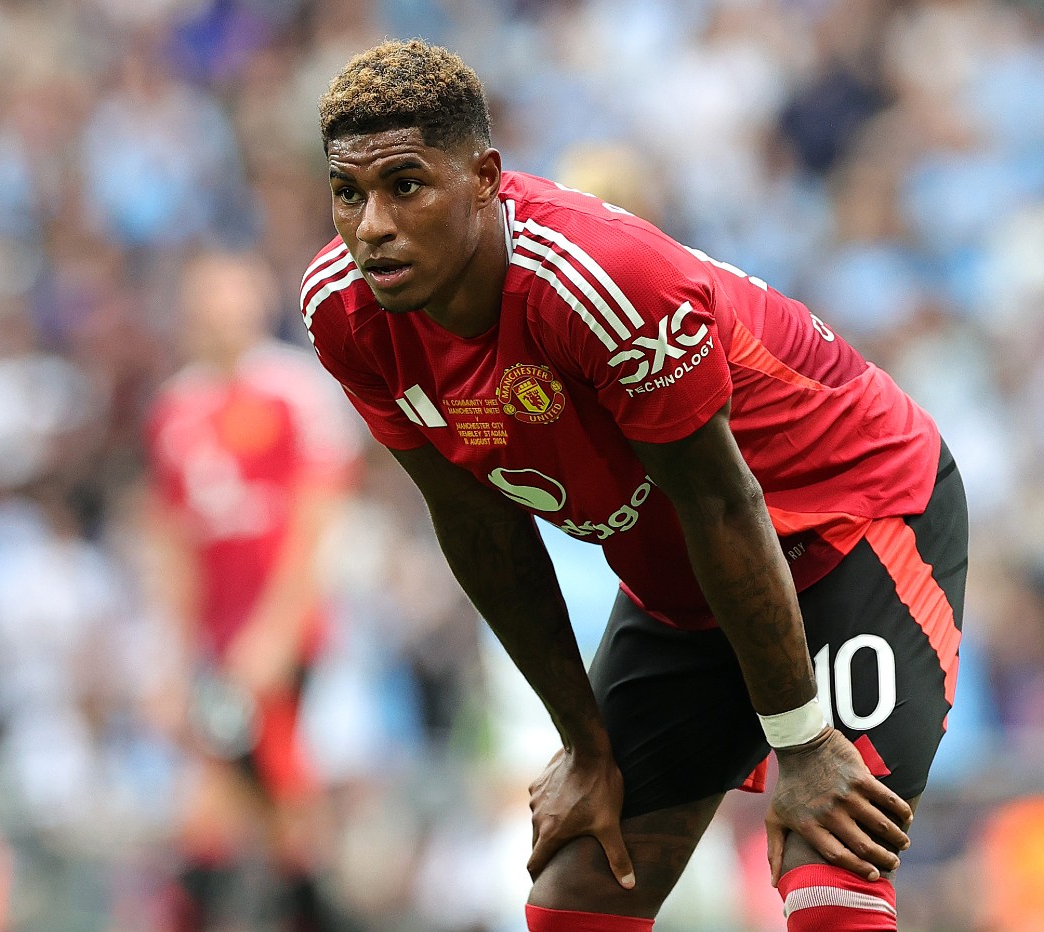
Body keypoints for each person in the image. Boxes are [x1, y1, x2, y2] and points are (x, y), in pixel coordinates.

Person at [301, 39, 968, 932]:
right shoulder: (343, 310)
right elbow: (476, 525)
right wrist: (583, 744)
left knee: (832, 873)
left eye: (406, 185)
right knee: (577, 889)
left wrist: (803, 739)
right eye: (349, 193)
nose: (372, 224)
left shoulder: (598, 283)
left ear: (486, 177)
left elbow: (724, 505)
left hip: (850, 521)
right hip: (687, 578)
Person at [144, 249, 359, 931]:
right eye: (207, 299)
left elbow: (313, 527)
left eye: (232, 297)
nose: (219, 313)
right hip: (219, 640)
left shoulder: (296, 392)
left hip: (285, 636)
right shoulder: (176, 408)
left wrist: (275, 633)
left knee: (244, 795)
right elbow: (174, 546)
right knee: (262, 803)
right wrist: (174, 659)